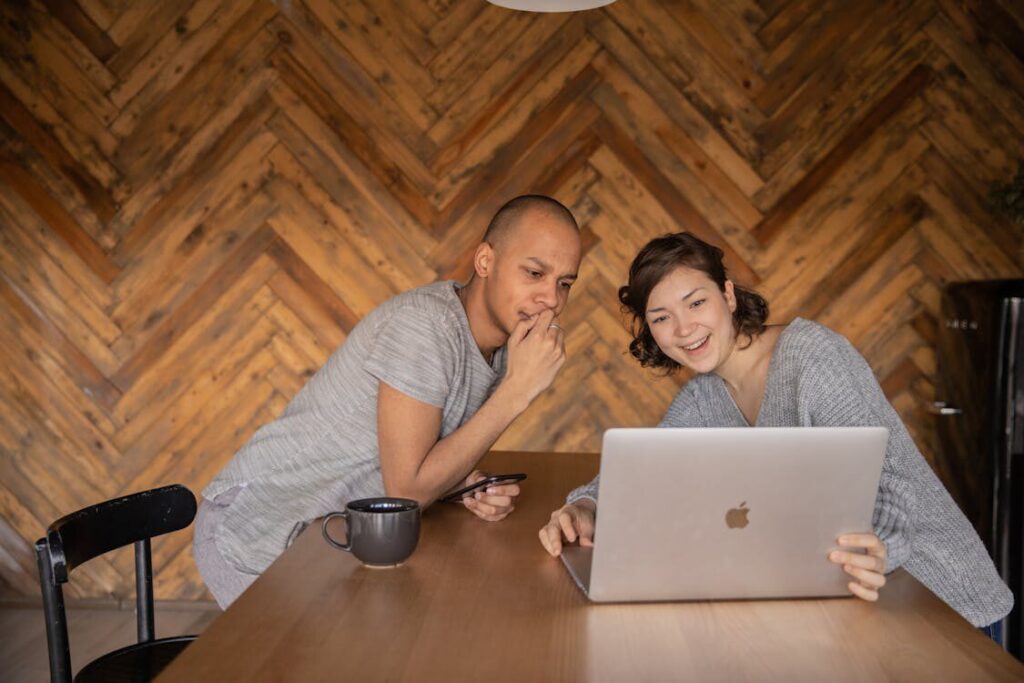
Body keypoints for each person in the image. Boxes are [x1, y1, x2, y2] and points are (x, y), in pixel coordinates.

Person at [538, 232, 1013, 633]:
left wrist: (880, 545)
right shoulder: (704, 397)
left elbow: (891, 480)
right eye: (661, 318)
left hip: (942, 598)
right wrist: (588, 506)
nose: (683, 329)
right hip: (860, 605)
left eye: (696, 302)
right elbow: (643, 471)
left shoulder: (812, 357)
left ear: (727, 296)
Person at [195, 194, 582, 608]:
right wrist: (517, 392)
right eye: (535, 273)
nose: (551, 299)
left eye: (564, 283)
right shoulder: (424, 327)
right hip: (256, 528)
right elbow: (408, 490)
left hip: (332, 535)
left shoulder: (506, 346)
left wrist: (461, 485)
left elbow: (414, 458)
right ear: (485, 261)